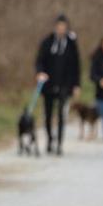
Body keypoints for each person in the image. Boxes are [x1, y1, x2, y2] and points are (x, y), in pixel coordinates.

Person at [34, 14, 81, 156]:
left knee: (61, 114)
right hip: (49, 83)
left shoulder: (71, 44)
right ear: (55, 27)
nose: (61, 29)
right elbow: (39, 61)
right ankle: (49, 139)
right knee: (48, 114)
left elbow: (76, 65)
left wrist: (76, 85)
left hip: (65, 84)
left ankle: (59, 143)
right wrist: (40, 73)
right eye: (59, 27)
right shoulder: (47, 42)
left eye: (64, 27)